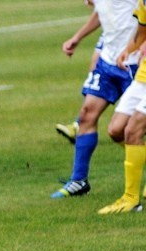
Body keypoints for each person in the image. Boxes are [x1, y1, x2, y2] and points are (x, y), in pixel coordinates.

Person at [51, 0, 138, 199]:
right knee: (87, 114)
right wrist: (77, 37)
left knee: (125, 129)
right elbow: (103, 11)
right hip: (108, 61)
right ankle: (78, 180)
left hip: (134, 64)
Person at [98, 0, 146, 214]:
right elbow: (142, 30)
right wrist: (129, 49)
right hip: (143, 77)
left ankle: (131, 199)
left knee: (132, 130)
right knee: (116, 130)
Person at [55, 0, 104, 145]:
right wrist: (77, 38)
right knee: (96, 72)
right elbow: (102, 11)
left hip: (133, 33)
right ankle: (79, 124)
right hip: (117, 32)